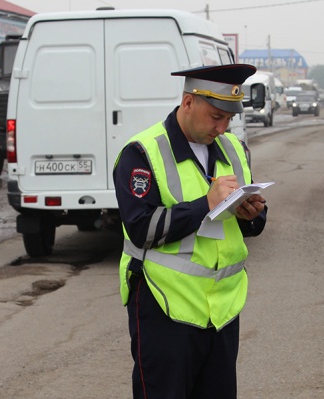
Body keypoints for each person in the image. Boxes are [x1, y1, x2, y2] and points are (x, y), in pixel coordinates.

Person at [113, 64, 268, 399]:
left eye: (229, 119)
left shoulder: (233, 149)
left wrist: (253, 213)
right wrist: (205, 205)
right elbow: (141, 229)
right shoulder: (141, 153)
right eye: (215, 116)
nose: (222, 127)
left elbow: (250, 226)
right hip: (164, 305)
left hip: (222, 310)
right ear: (187, 103)